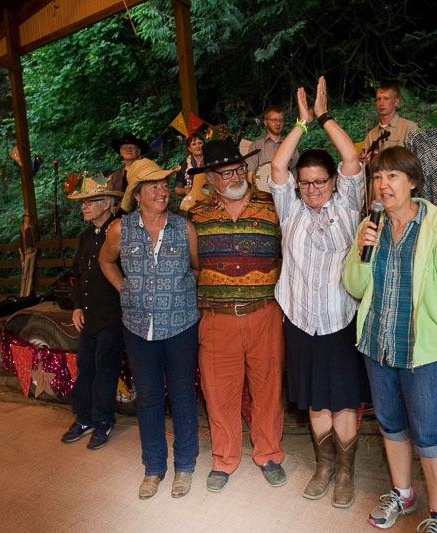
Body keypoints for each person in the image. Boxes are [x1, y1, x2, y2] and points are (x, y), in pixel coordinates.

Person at [342, 147, 437, 533]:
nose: (383, 185)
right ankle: (403, 494)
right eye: (377, 177)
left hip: (424, 353)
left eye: (392, 176)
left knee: (429, 433)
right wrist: (362, 252)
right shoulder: (370, 227)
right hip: (378, 346)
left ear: (413, 182)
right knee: (391, 426)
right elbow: (354, 287)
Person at [270, 76, 370, 509]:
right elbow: (277, 167)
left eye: (320, 181)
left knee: (344, 401)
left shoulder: (348, 205)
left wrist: (325, 117)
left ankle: (345, 472)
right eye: (306, 182)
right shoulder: (289, 207)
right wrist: (300, 123)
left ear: (333, 181)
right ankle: (324, 466)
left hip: (340, 318)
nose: (313, 189)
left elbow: (351, 157)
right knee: (315, 401)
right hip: (299, 320)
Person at [187, 139, 286, 493]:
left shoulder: (273, 206)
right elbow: (194, 265)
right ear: (210, 178)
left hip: (265, 314)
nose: (236, 177)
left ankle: (269, 453)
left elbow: (287, 253)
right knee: (219, 393)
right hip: (217, 319)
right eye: (226, 173)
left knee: (268, 389)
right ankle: (224, 458)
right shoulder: (196, 215)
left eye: (239, 169)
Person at [99, 158, 201, 500]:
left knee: (183, 394)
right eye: (153, 187)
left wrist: (180, 296)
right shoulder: (120, 229)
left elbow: (197, 269)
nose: (162, 192)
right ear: (137, 195)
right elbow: (106, 261)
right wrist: (125, 289)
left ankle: (185, 466)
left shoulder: (184, 228)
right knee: (149, 398)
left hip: (181, 325)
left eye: (164, 185)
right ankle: (154, 467)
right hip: (138, 327)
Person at [60, 174, 125, 451]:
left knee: (105, 371)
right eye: (82, 202)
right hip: (87, 316)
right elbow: (78, 274)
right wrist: (76, 305)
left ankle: (103, 420)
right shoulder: (86, 236)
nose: (84, 206)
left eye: (90, 201)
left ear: (107, 203)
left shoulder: (120, 231)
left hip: (112, 316)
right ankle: (84, 417)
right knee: (85, 368)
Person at [361, 83, 419, 165]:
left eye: (386, 98)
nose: (381, 103)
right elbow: (363, 162)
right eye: (378, 99)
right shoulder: (371, 134)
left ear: (396, 102)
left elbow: (416, 161)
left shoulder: (409, 127)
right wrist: (364, 161)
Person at [245, 105, 299, 189]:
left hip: (285, 193)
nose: (278, 123)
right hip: (262, 194)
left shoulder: (291, 146)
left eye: (281, 120)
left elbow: (294, 172)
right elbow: (250, 174)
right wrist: (253, 194)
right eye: (274, 120)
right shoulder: (256, 145)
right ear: (265, 122)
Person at [174, 133, 205, 197]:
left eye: (200, 143)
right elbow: (177, 189)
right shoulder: (183, 165)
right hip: (193, 198)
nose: (198, 146)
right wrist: (184, 190)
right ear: (189, 148)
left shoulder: (212, 160)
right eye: (194, 144)